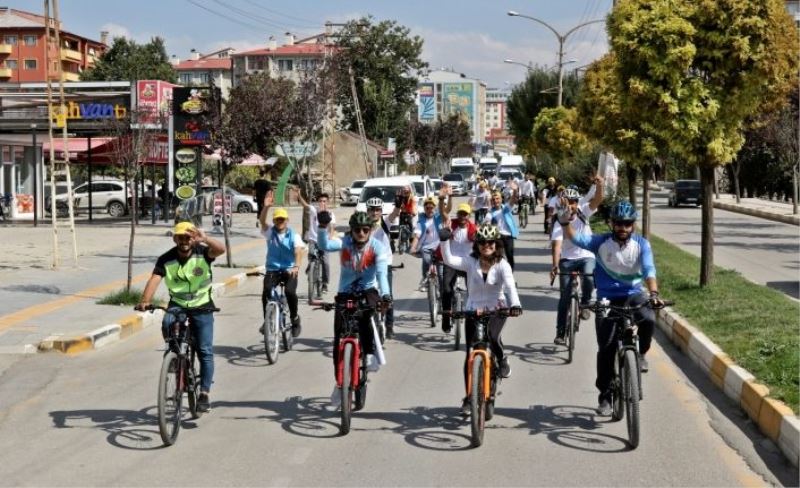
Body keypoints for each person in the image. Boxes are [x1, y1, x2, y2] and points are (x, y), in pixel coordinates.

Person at [559, 199, 664, 416]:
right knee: (606, 349)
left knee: (648, 318)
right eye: (618, 223)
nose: (623, 228)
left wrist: (653, 294)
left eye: (627, 224)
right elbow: (575, 238)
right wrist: (563, 222)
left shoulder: (642, 244)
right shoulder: (600, 242)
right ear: (611, 224)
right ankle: (605, 396)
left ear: (633, 225)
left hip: (633, 295)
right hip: (606, 299)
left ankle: (642, 353)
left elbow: (649, 270)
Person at [136, 221, 226, 412]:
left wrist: (206, 239)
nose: (184, 241)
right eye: (181, 237)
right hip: (178, 304)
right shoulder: (165, 259)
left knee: (204, 350)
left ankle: (204, 393)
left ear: (193, 238)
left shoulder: (203, 252)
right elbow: (155, 278)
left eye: (188, 237)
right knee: (167, 322)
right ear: (175, 238)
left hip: (202, 306)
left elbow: (221, 250)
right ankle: (174, 357)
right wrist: (145, 300)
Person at [439, 224, 522, 415]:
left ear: (496, 244)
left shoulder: (502, 264)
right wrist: (444, 241)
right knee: (470, 354)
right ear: (477, 245)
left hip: (497, 308)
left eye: (490, 242)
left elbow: (510, 286)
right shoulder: (470, 262)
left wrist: (515, 304)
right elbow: (449, 259)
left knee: (493, 337)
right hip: (473, 309)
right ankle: (469, 397)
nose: (487, 245)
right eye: (483, 242)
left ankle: (502, 359)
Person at [316, 210, 391, 406]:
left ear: (370, 230)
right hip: (345, 292)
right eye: (357, 229)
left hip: (368, 291)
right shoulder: (345, 243)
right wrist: (322, 227)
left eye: (365, 229)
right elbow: (324, 245)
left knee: (367, 321)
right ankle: (340, 383)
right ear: (351, 230)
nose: (360, 233)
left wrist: (386, 295)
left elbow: (382, 274)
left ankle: (368, 353)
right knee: (338, 337)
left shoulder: (377, 248)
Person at [550, 178, 604, 345]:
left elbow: (598, 200)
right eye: (568, 201)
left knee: (588, 277)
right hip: (567, 259)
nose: (571, 205)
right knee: (564, 298)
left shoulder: (583, 211)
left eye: (574, 201)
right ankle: (560, 331)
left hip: (586, 255)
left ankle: (586, 304)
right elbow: (557, 246)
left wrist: (600, 185)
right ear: (563, 202)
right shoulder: (560, 221)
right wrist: (555, 264)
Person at [259, 192, 305, 338]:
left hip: (289, 269)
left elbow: (298, 252)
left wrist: (296, 267)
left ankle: (294, 318)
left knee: (290, 292)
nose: (280, 222)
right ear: (274, 220)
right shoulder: (270, 233)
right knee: (266, 292)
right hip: (273, 269)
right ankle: (267, 320)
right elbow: (262, 221)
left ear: (287, 220)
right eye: (277, 219)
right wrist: (265, 207)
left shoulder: (294, 235)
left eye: (282, 219)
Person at [439, 202, 477, 334]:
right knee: (447, 289)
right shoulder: (452, 224)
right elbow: (443, 213)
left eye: (465, 214)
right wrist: (443, 199)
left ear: (469, 216)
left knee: (473, 290)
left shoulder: (473, 228)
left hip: (467, 263)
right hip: (451, 262)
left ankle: (475, 317)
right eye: (460, 213)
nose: (462, 216)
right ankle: (446, 318)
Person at [366, 197, 400, 339]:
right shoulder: (363, 225)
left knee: (388, 295)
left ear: (381, 211)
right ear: (367, 211)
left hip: (385, 263)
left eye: (378, 210)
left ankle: (389, 324)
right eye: (372, 210)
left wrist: (398, 204)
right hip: (368, 265)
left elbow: (394, 214)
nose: (375, 213)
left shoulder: (385, 223)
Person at [298, 192, 335, 294]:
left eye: (324, 201)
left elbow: (332, 228)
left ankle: (324, 284)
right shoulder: (314, 210)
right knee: (311, 257)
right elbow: (305, 205)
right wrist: (299, 195)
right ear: (318, 202)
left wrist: (330, 238)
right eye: (320, 201)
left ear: (328, 202)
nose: (322, 203)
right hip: (313, 240)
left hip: (324, 241)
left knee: (326, 262)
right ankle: (311, 268)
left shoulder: (331, 214)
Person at [410, 194, 443, 291]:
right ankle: (425, 278)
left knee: (441, 271)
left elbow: (447, 210)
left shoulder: (439, 218)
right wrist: (413, 248)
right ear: (424, 209)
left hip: (439, 247)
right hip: (426, 247)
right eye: (427, 208)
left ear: (435, 208)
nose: (430, 210)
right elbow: (417, 236)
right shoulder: (421, 221)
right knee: (427, 260)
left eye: (432, 208)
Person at [483, 188, 519, 271]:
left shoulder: (506, 209)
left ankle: (510, 273)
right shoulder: (490, 213)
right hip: (497, 236)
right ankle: (498, 273)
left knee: (510, 255)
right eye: (494, 199)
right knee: (498, 256)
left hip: (508, 235)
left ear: (501, 199)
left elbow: (512, 201)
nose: (496, 201)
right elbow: (485, 223)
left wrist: (515, 191)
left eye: (497, 199)